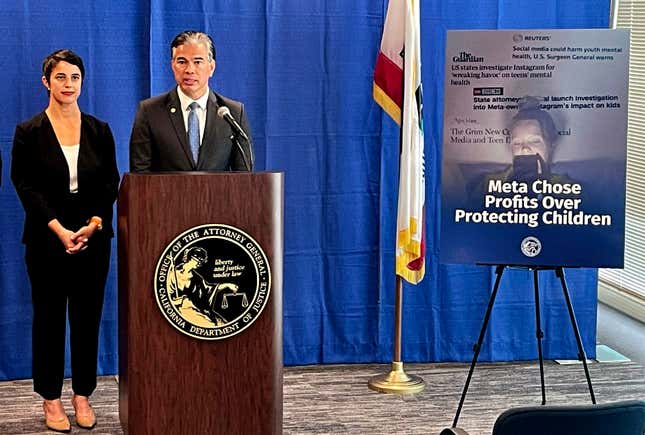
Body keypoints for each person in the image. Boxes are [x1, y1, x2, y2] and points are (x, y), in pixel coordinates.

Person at [11, 49, 119, 432]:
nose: (68, 84)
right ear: (46, 82)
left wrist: (93, 223)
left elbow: (109, 183)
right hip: (46, 240)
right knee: (50, 320)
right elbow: (25, 185)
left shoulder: (99, 130)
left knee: (87, 319)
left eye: (74, 77)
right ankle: (52, 400)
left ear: (82, 82)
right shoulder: (28, 132)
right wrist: (57, 228)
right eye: (60, 77)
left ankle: (82, 395)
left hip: (93, 240)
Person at [129, 30, 254, 172]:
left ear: (211, 67)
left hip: (217, 195)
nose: (189, 70)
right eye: (182, 62)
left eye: (197, 62)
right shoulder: (150, 112)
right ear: (172, 65)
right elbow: (140, 175)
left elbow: (244, 177)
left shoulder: (233, 113)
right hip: (165, 194)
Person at [167, 246, 240, 327]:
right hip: (185, 310)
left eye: (201, 261)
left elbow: (209, 289)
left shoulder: (197, 278)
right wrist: (181, 301)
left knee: (224, 324)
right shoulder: (173, 275)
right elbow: (167, 300)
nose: (199, 263)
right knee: (211, 325)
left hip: (200, 309)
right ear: (190, 257)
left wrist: (227, 285)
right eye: (197, 260)